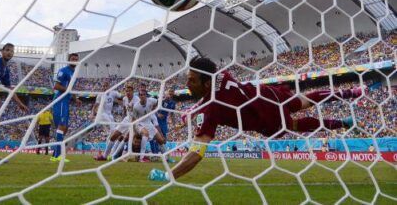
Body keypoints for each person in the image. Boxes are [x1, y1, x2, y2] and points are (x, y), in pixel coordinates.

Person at [149, 56, 358, 181]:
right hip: (267, 94)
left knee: (295, 124)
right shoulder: (221, 75)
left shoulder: (211, 110)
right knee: (305, 101)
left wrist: (170, 175)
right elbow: (208, 95)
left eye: (192, 81)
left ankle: (342, 123)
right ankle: (350, 93)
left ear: (206, 83)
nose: (187, 85)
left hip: (265, 118)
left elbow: (196, 152)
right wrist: (193, 109)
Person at [94, 84, 139, 161]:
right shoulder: (125, 99)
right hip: (127, 119)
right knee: (114, 135)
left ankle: (115, 156)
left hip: (136, 121)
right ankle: (105, 156)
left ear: (132, 91)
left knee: (127, 138)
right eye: (126, 91)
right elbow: (125, 109)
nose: (128, 92)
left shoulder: (137, 99)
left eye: (129, 91)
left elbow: (138, 112)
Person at [51, 53, 80, 162]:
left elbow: (71, 89)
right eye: (73, 58)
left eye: (76, 59)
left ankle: (54, 155)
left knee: (65, 128)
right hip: (60, 100)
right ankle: (58, 156)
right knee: (62, 126)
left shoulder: (74, 73)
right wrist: (68, 91)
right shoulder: (63, 71)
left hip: (66, 102)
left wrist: (75, 99)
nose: (75, 60)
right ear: (69, 60)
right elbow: (56, 86)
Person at [132, 90, 168, 162]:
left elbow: (158, 102)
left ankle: (166, 158)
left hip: (149, 123)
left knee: (160, 140)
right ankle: (141, 158)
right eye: (141, 95)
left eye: (144, 94)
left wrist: (154, 107)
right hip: (140, 124)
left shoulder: (151, 100)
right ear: (139, 96)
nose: (142, 96)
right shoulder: (136, 106)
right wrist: (134, 131)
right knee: (145, 134)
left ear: (146, 95)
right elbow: (133, 119)